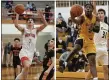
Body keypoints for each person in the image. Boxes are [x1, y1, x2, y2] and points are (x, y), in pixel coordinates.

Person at [58, 3, 100, 80]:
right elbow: (76, 21)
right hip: (82, 37)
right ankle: (64, 64)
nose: (88, 8)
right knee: (76, 48)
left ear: (92, 9)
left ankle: (95, 78)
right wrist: (72, 15)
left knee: (92, 61)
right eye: (86, 7)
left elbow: (97, 29)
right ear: (84, 9)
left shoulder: (96, 18)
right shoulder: (82, 17)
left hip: (90, 41)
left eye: (89, 7)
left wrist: (92, 28)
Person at [14, 10, 47, 80]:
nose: (30, 21)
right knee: (26, 66)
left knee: (26, 69)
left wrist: (42, 17)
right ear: (27, 23)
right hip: (24, 51)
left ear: (33, 23)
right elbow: (16, 25)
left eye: (31, 20)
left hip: (31, 53)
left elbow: (45, 25)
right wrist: (17, 14)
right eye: (28, 20)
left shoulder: (36, 30)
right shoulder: (24, 30)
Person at [85, 7, 109, 80]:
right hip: (96, 48)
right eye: (99, 13)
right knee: (92, 70)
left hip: (104, 49)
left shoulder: (107, 26)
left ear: (104, 15)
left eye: (101, 13)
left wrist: (107, 47)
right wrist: (94, 3)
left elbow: (107, 38)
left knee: (106, 69)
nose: (100, 14)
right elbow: (94, 12)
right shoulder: (96, 22)